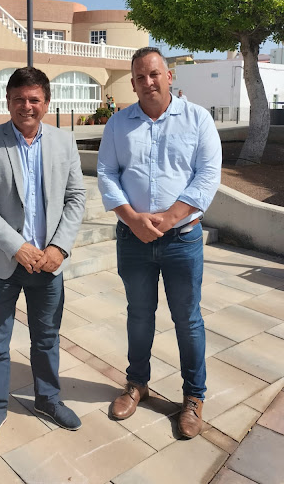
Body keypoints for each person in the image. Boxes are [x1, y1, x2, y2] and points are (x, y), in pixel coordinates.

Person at [97, 47, 221, 439]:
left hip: (182, 239)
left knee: (188, 319)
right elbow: (107, 173)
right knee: (139, 314)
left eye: (154, 74)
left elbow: (207, 174)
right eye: (139, 77)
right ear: (133, 84)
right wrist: (132, 219)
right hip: (133, 240)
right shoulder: (118, 125)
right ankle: (137, 383)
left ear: (169, 76)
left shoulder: (197, 119)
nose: (147, 82)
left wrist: (169, 218)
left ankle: (193, 396)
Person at [0, 66, 86, 451]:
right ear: (7, 101)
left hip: (48, 263)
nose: (27, 106)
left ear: (46, 103)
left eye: (34, 99)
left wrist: (59, 248)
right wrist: (17, 246)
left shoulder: (64, 142)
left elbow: (76, 198)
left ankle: (48, 398)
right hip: (2, 261)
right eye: (19, 98)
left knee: (46, 337)